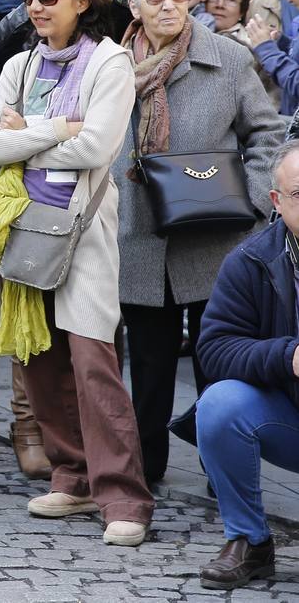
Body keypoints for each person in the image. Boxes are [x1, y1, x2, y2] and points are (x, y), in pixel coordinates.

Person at [0, 0, 153, 546]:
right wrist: (55, 130)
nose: (36, 6)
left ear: (83, 1)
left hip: (84, 230)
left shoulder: (110, 63)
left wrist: (22, 137)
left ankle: (123, 496)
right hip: (25, 226)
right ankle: (72, 475)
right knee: (39, 361)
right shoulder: (20, 67)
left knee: (92, 362)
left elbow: (99, 147)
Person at [112, 0, 284, 486]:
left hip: (217, 234)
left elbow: (268, 134)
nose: (168, 7)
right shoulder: (111, 64)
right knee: (149, 363)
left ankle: (223, 467)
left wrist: (253, 198)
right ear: (134, 6)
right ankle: (146, 469)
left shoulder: (229, 59)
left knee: (216, 360)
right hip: (139, 233)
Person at [192, 139, 299, 590]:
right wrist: (288, 356)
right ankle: (249, 540)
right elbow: (215, 348)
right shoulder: (251, 260)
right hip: (290, 416)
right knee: (219, 404)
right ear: (277, 202)